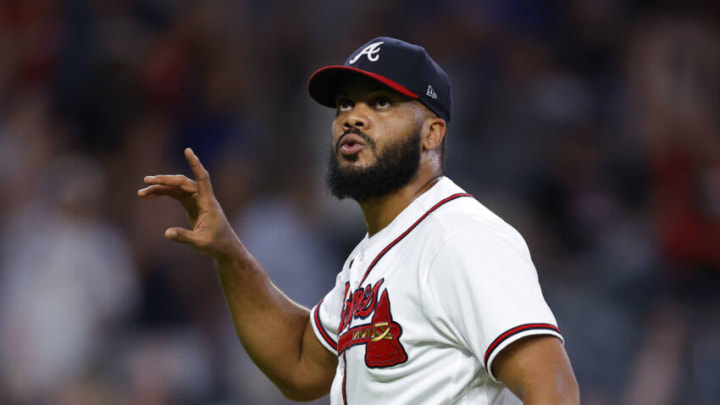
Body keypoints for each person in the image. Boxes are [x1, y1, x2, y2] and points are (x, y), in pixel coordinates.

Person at [138, 37, 579, 404]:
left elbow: (552, 388)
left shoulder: (459, 236)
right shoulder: (371, 254)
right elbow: (301, 364)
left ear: (432, 132)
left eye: (381, 102)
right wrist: (228, 251)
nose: (353, 116)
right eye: (345, 104)